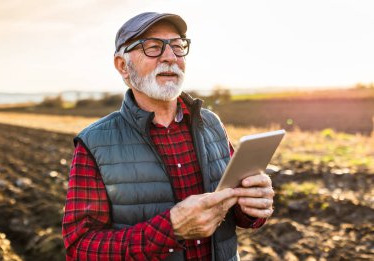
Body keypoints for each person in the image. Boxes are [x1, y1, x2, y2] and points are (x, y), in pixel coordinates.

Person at [62, 12, 274, 261]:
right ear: (122, 65)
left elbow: (238, 213)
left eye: (177, 46)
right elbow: (80, 248)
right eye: (153, 47)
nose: (170, 57)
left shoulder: (212, 124)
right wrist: (170, 229)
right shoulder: (94, 143)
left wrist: (253, 207)